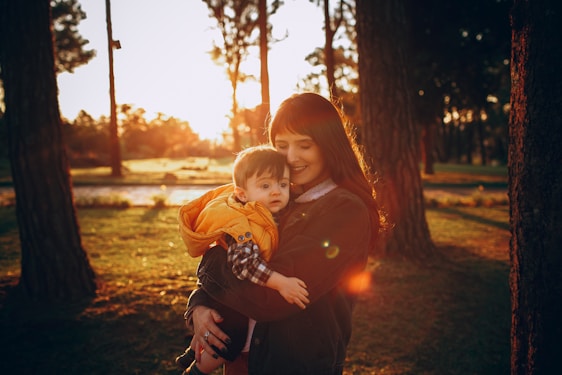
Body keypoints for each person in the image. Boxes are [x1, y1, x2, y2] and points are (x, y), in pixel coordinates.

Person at [183, 92, 381, 375]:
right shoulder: (276, 201)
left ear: (328, 146)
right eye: (281, 145)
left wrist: (212, 260)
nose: (291, 157)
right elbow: (239, 254)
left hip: (293, 364)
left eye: (305, 145)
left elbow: (270, 299)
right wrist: (199, 306)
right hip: (243, 356)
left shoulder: (344, 210)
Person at [176, 145, 310, 375]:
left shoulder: (269, 215)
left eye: (283, 184)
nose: (276, 191)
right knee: (229, 338)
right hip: (233, 298)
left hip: (240, 300)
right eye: (265, 185)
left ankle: (191, 354)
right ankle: (196, 370)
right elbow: (244, 265)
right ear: (242, 194)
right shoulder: (244, 223)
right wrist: (280, 282)